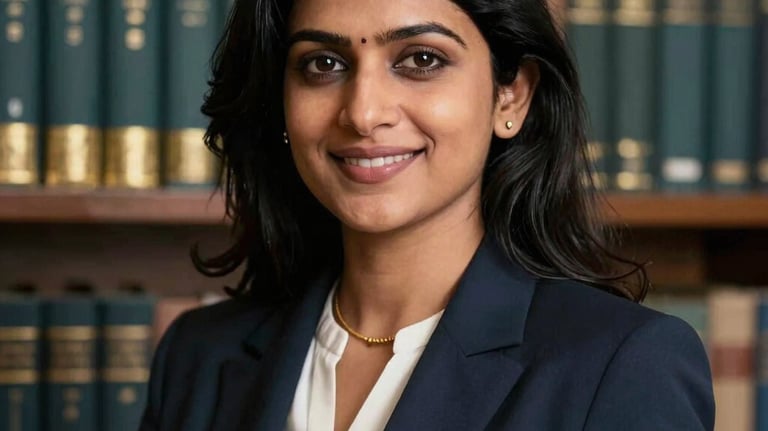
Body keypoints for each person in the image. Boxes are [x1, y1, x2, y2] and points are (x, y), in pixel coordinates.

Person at [140, 0, 715, 429]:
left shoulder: (624, 364)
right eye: (322, 64)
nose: (363, 113)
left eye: (420, 59)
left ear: (510, 95)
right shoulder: (197, 357)